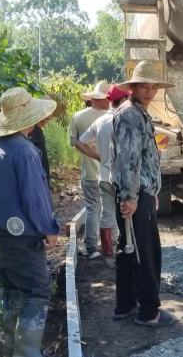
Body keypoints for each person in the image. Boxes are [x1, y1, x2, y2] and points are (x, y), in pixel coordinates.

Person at [0, 87, 59, 357]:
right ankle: (27, 352)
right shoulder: (25, 152)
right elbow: (35, 199)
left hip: (3, 234)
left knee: (14, 291)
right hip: (25, 237)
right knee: (36, 292)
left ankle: (11, 348)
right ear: (29, 119)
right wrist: (49, 229)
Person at [112, 60, 175, 327]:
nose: (149, 92)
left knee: (129, 252)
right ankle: (149, 312)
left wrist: (149, 191)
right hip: (135, 195)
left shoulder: (138, 113)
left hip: (140, 192)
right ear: (133, 87)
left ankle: (126, 305)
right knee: (144, 253)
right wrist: (131, 197)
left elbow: (143, 160)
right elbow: (129, 160)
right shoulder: (130, 115)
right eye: (144, 86)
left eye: (153, 87)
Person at [77, 84, 131, 268]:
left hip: (104, 175)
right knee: (127, 213)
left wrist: (98, 157)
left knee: (107, 213)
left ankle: (108, 253)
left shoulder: (100, 121)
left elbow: (81, 142)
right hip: (123, 177)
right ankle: (127, 247)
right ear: (123, 100)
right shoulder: (125, 120)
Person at [68, 81, 109, 259]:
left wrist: (93, 155)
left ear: (92, 97)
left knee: (93, 208)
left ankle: (92, 247)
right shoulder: (113, 116)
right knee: (110, 209)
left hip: (90, 174)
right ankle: (111, 244)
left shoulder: (78, 117)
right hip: (111, 174)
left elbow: (74, 142)